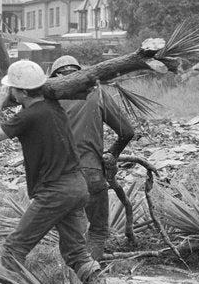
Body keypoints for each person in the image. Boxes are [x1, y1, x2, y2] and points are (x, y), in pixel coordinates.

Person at [0, 58, 121, 284]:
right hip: (77, 187)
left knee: (15, 246)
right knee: (77, 253)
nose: (11, 92)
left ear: (22, 93)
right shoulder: (54, 108)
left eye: (12, 89)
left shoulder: (29, 115)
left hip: (54, 193)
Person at [48, 54, 134, 262]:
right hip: (91, 173)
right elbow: (127, 131)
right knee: (96, 232)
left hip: (59, 177)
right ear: (81, 73)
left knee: (70, 234)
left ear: (54, 76)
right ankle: (87, 281)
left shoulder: (48, 98)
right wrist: (111, 154)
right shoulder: (98, 93)